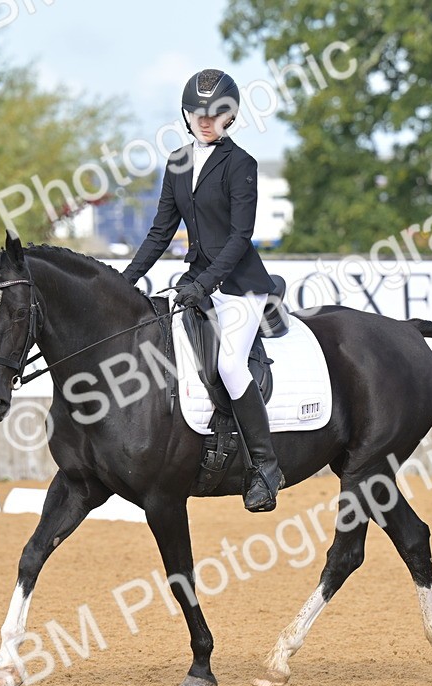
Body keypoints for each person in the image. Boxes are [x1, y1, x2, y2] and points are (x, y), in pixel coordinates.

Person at [122, 68, 285, 513]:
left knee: (230, 364)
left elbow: (239, 237)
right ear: (186, 114)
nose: (205, 121)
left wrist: (205, 283)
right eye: (198, 113)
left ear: (230, 117)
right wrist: (124, 280)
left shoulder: (241, 164)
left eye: (216, 114)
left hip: (239, 285)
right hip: (199, 284)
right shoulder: (177, 163)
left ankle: (266, 467)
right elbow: (160, 233)